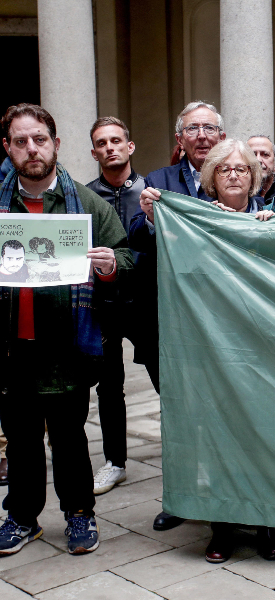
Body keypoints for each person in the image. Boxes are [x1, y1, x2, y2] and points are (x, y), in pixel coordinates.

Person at [0, 103, 132, 556]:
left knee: (71, 438)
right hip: (10, 347)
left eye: (39, 139)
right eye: (21, 141)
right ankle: (21, 516)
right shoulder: (0, 204)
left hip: (66, 347)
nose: (31, 149)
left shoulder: (87, 203)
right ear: (8, 148)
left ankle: (79, 513)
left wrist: (113, 264)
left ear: (55, 144)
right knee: (19, 440)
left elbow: (127, 255)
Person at [128, 100, 227, 533]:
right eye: (193, 129)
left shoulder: (233, 176)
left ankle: (231, 493)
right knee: (179, 413)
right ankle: (182, 496)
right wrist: (150, 218)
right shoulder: (159, 181)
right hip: (174, 321)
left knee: (228, 412)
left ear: (221, 137)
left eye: (209, 128)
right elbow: (136, 238)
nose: (202, 135)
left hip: (226, 321)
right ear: (179, 138)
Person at [195, 139, 275, 563]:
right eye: (224, 169)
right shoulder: (196, 222)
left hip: (263, 347)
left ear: (255, 177)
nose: (234, 174)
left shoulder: (271, 219)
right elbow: (146, 237)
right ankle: (222, 527)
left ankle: (266, 523)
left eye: (242, 169)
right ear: (212, 178)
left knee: (264, 434)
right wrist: (151, 209)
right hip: (214, 344)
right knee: (220, 437)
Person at [86, 116, 146, 496]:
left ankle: (181, 454)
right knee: (108, 389)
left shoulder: (150, 189)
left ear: (130, 146)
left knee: (165, 382)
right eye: (101, 143)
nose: (110, 147)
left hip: (145, 303)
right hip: (102, 304)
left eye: (116, 140)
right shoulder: (84, 197)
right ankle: (115, 462)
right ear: (94, 152)